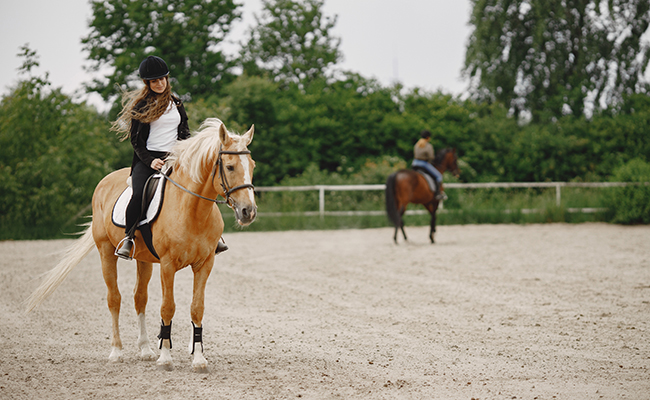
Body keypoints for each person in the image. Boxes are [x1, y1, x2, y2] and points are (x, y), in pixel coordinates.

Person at [112, 55, 228, 259]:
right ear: (147, 83)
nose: (160, 83)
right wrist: (150, 161)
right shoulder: (141, 107)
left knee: (203, 185)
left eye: (162, 79)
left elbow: (184, 133)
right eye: (154, 81)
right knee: (138, 195)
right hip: (148, 160)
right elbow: (136, 142)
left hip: (176, 157)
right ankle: (129, 238)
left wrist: (188, 152)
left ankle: (213, 235)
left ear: (167, 79)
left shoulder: (176, 103)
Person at [411, 130, 447, 201]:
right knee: (439, 176)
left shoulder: (416, 144)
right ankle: (438, 194)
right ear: (428, 137)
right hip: (423, 164)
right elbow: (431, 157)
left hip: (414, 163)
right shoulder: (428, 146)